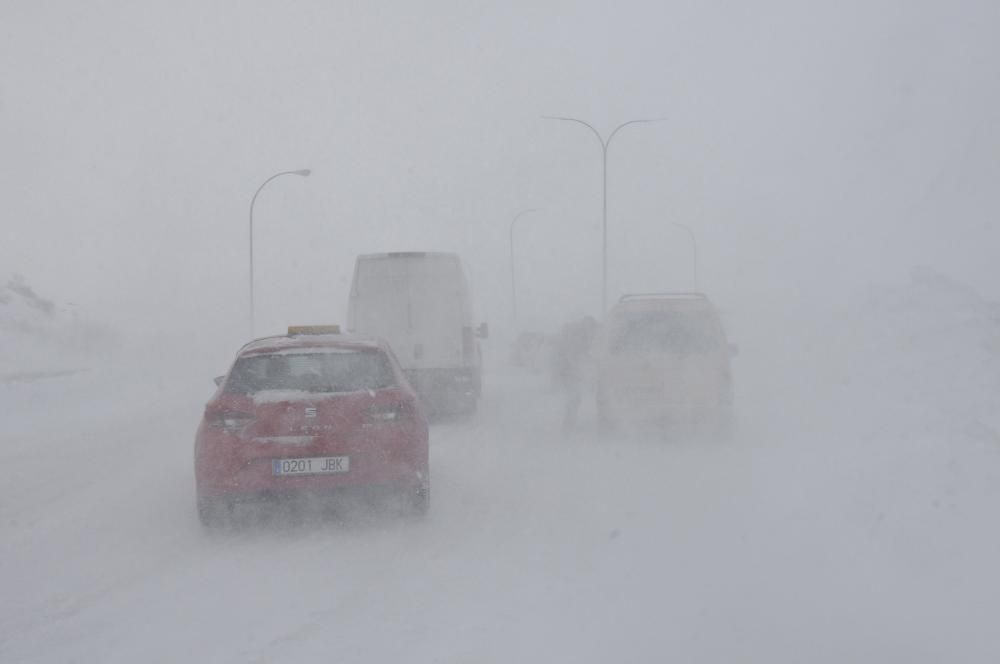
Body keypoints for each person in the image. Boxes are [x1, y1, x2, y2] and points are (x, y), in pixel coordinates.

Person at [551, 315, 598, 431]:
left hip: (565, 371)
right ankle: (568, 427)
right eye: (591, 329)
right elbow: (572, 355)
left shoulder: (578, 335)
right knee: (574, 398)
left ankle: (569, 425)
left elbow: (581, 354)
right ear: (587, 326)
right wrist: (576, 372)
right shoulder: (577, 337)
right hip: (566, 372)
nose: (591, 333)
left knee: (574, 399)